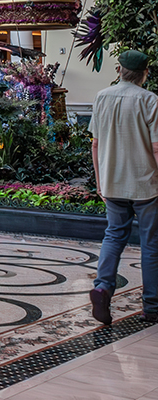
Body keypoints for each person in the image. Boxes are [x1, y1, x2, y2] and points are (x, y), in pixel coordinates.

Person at [88, 49, 158, 325]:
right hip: (145, 185)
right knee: (151, 244)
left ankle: (103, 287)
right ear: (145, 73)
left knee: (113, 237)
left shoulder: (101, 97)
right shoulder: (149, 100)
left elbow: (94, 143)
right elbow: (155, 146)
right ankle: (151, 307)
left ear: (119, 70)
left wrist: (99, 182)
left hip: (112, 182)